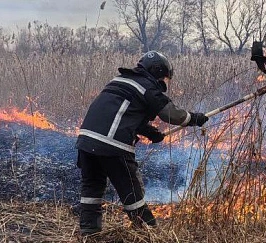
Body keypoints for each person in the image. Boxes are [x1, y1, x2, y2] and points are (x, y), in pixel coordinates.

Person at [75, 51, 208, 235]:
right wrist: (194, 118)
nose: (163, 82)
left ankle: (89, 232)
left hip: (86, 140)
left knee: (92, 188)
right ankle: (149, 233)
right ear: (157, 71)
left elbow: (123, 112)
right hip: (112, 145)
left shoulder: (120, 80)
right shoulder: (147, 86)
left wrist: (149, 131)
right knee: (131, 192)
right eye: (164, 77)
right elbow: (171, 114)